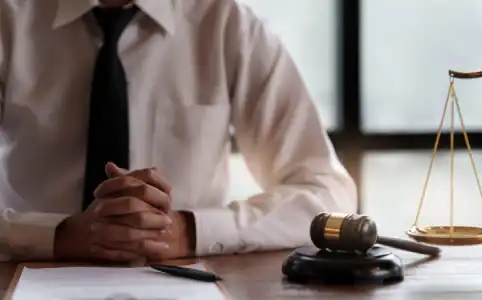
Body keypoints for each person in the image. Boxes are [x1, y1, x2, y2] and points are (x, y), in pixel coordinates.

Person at [0, 0, 357, 263]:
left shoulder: (228, 25)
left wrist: (189, 230)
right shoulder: (8, 20)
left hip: (187, 279)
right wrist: (56, 236)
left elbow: (328, 192)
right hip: (28, 274)